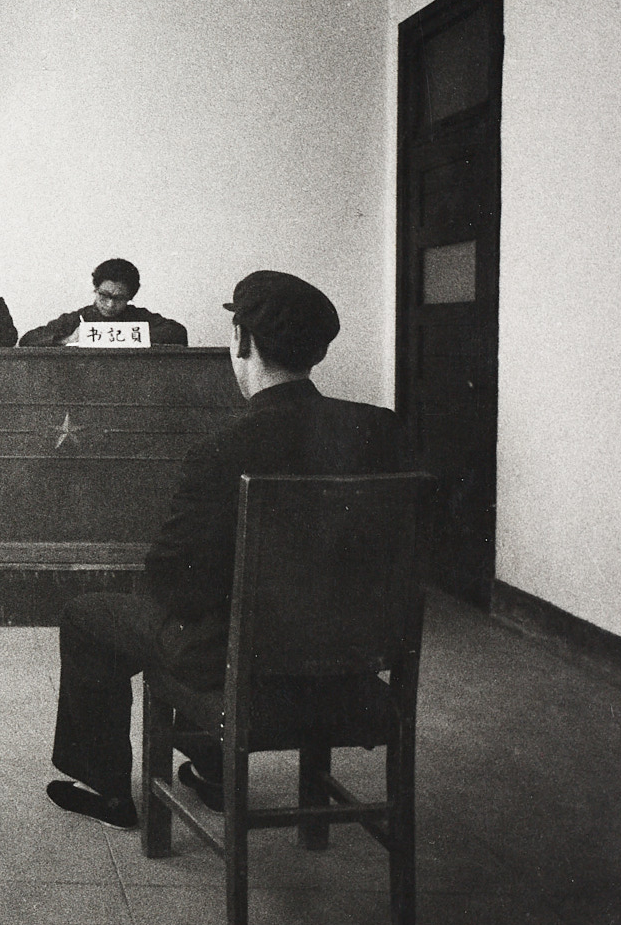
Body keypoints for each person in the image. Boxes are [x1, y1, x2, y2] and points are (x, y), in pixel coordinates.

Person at [45, 270, 404, 829]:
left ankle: (111, 789)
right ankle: (211, 768)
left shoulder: (224, 450)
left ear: (241, 342)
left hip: (238, 661)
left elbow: (168, 582)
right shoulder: (384, 432)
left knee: (91, 616)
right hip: (352, 660)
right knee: (201, 623)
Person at [19, 258, 189, 347]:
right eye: (104, 295)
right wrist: (67, 340)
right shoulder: (79, 318)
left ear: (130, 297)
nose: (109, 304)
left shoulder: (138, 316)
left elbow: (178, 333)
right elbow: (28, 340)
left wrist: (128, 335)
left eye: (119, 298)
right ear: (96, 289)